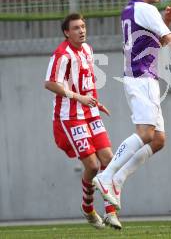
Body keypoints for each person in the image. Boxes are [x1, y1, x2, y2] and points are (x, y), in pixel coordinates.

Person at [93, 0, 171, 211]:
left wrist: (166, 22)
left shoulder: (130, 10)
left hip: (139, 76)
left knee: (158, 139)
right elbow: (169, 40)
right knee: (145, 133)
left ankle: (118, 179)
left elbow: (153, 39)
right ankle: (107, 175)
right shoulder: (147, 10)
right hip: (142, 77)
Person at [44, 13, 121, 230]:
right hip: (71, 117)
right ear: (67, 32)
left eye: (83, 26)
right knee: (93, 165)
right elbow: (50, 83)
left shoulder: (87, 49)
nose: (81, 30)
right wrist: (80, 99)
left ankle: (110, 212)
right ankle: (87, 208)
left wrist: (96, 103)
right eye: (76, 28)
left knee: (109, 158)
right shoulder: (62, 55)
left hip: (90, 112)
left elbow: (86, 82)